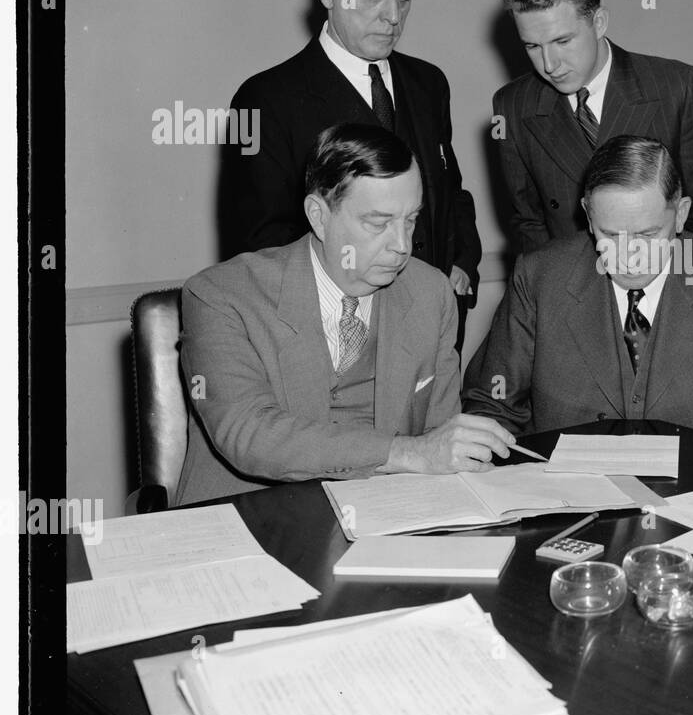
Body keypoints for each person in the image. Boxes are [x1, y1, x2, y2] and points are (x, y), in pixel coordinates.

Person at [177, 125, 513, 506]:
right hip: (251, 519)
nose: (402, 246)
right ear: (319, 216)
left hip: (385, 517)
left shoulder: (430, 293)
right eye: (378, 223)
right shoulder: (222, 295)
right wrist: (407, 453)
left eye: (410, 219)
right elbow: (250, 434)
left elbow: (439, 434)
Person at [220, 0, 481, 348]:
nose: (393, 15)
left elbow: (449, 192)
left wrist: (463, 264)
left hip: (432, 332)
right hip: (338, 340)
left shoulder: (428, 83)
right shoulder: (265, 98)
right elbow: (260, 246)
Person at [463, 135, 693, 451]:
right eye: (610, 235)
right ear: (588, 217)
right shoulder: (540, 278)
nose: (629, 256)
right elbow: (493, 405)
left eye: (648, 235)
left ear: (680, 214)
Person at [493, 0, 693, 253]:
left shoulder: (676, 88)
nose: (549, 65)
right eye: (532, 47)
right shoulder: (512, 107)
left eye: (562, 41)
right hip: (571, 291)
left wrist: (686, 297)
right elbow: (529, 228)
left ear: (599, 22)